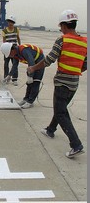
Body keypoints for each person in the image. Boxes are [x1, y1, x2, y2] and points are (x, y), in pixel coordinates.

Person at [27, 10, 87, 158]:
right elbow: (85, 64)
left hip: (62, 83)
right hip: (74, 83)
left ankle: (76, 144)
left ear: (65, 25)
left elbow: (49, 60)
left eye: (60, 26)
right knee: (61, 108)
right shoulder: (84, 41)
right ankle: (50, 130)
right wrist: (75, 71)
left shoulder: (63, 40)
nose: (60, 29)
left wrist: (33, 68)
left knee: (61, 112)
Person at [1, 42, 45, 109]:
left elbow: (31, 62)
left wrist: (30, 76)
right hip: (32, 65)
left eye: (9, 54)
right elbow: (15, 66)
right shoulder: (16, 54)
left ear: (12, 50)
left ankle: (30, 101)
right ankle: (26, 99)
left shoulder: (24, 50)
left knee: (35, 82)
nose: (10, 56)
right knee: (29, 83)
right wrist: (9, 75)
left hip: (39, 62)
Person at [2, 15, 21, 86]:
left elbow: (18, 38)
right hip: (7, 49)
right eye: (9, 22)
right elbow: (4, 41)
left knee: (15, 65)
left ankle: (14, 79)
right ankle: (6, 77)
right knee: (6, 64)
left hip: (15, 50)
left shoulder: (16, 30)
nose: (10, 23)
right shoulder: (4, 31)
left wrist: (20, 46)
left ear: (13, 23)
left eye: (12, 22)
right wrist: (4, 49)